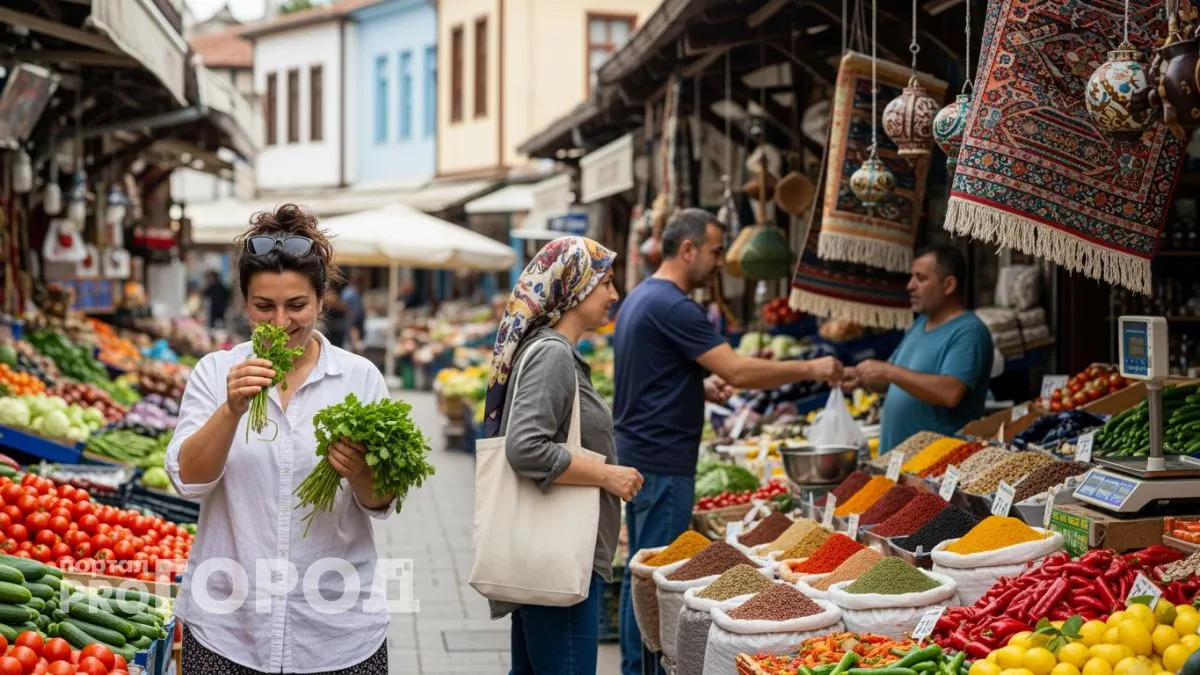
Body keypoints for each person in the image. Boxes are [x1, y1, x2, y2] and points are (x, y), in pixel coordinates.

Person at [165, 204, 394, 674]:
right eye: (263, 307)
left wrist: (362, 470)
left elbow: (380, 503)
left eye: (297, 306)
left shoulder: (359, 378)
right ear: (244, 303)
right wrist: (230, 409)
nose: (281, 322)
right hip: (230, 630)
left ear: (321, 299)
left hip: (336, 632)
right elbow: (190, 481)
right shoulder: (215, 373)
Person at [613, 208, 844, 675]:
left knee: (641, 575)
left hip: (644, 454)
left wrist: (692, 386)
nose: (720, 262)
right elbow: (737, 369)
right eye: (716, 251)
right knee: (658, 581)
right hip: (662, 461)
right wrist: (811, 368)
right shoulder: (674, 305)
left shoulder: (641, 298)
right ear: (688, 249)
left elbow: (648, 376)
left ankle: (634, 664)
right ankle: (646, 668)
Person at [481, 236, 643, 675]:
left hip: (549, 557)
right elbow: (525, 447)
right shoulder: (552, 355)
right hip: (560, 559)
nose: (614, 294)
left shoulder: (555, 352)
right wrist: (607, 475)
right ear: (574, 288)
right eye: (606, 282)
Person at [846, 244, 995, 454]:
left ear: (949, 285)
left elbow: (951, 392)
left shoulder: (969, 331)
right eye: (911, 277)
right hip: (896, 465)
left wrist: (889, 371)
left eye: (920, 278)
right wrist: (860, 377)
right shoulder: (920, 324)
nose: (910, 286)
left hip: (934, 470)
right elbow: (889, 381)